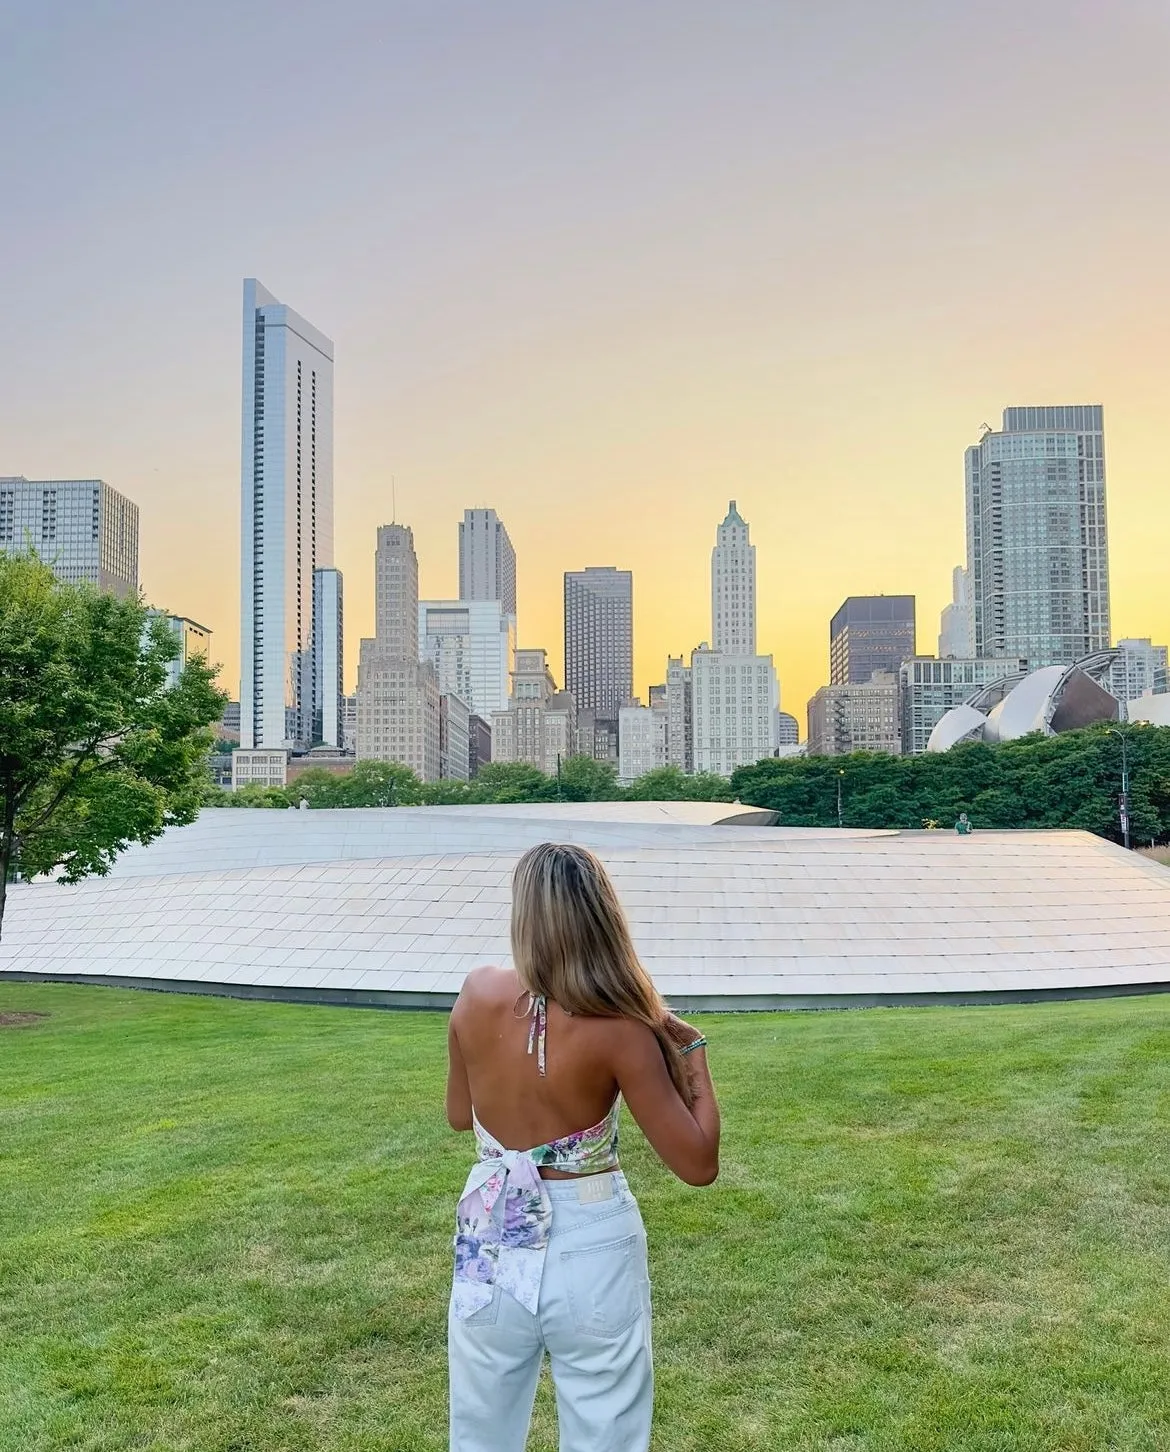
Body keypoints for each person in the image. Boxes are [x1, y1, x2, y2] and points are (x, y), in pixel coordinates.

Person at [445, 841, 721, 1452]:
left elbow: (459, 1117)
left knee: (480, 1423)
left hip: (491, 1223)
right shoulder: (621, 1028)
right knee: (605, 1425)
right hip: (590, 1232)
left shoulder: (475, 991)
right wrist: (693, 1053)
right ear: (602, 915)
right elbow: (698, 1163)